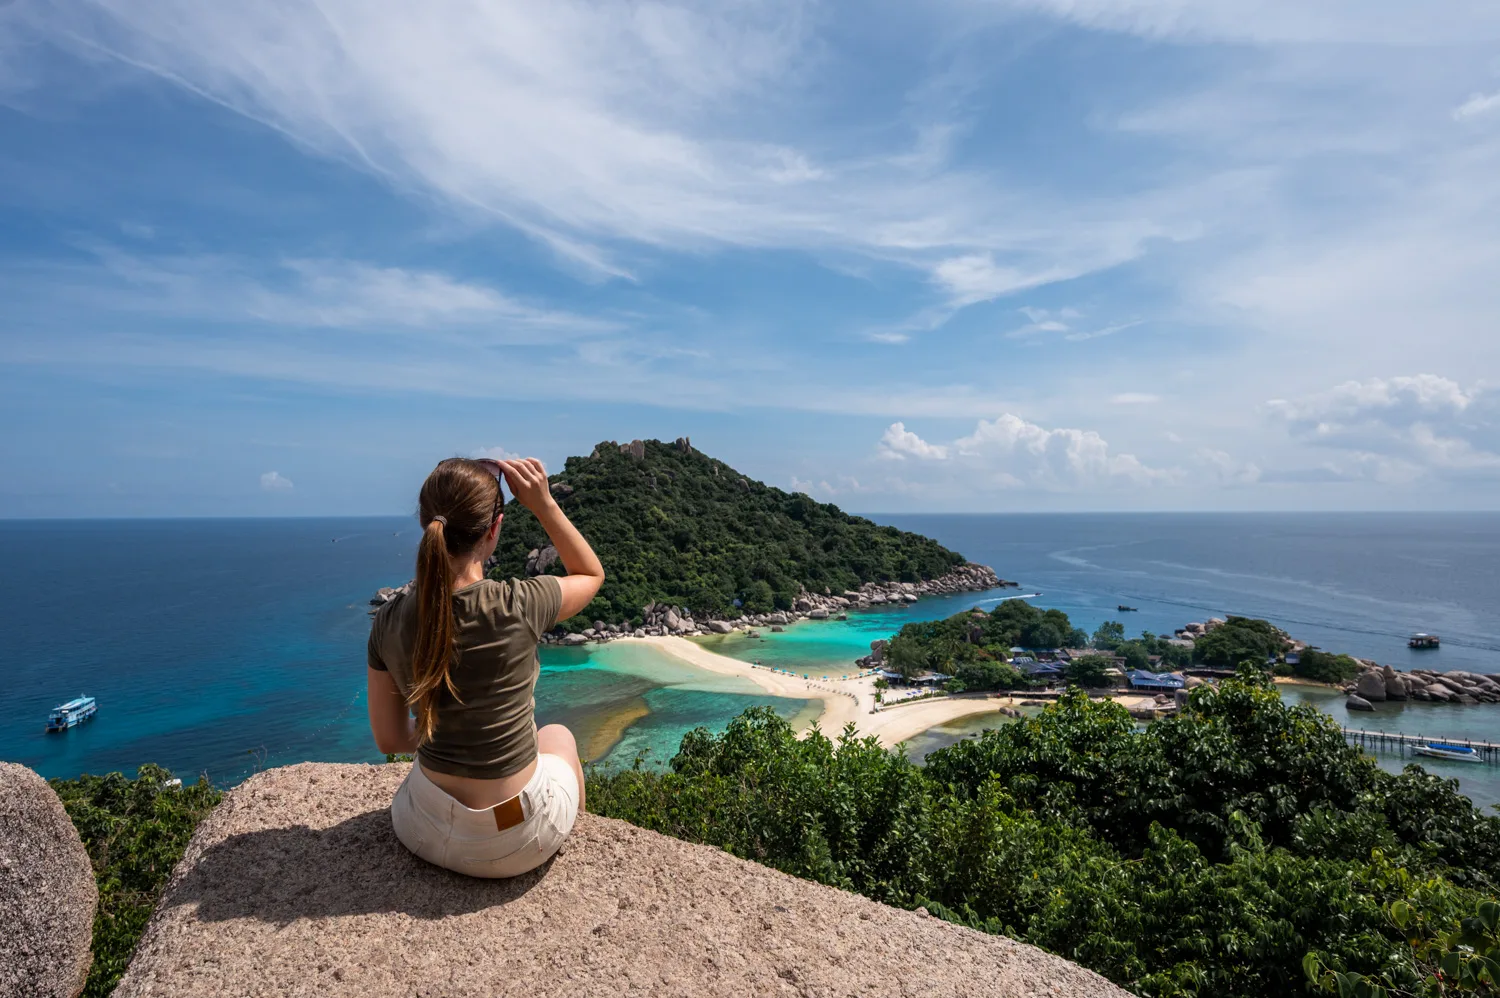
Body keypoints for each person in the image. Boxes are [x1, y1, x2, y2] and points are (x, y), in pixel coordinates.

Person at [366, 456, 604, 878]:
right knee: (558, 735)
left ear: (426, 523)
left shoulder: (388, 620)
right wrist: (544, 503)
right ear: (493, 530)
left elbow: (390, 740)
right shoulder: (518, 603)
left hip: (420, 827)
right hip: (516, 843)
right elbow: (590, 573)